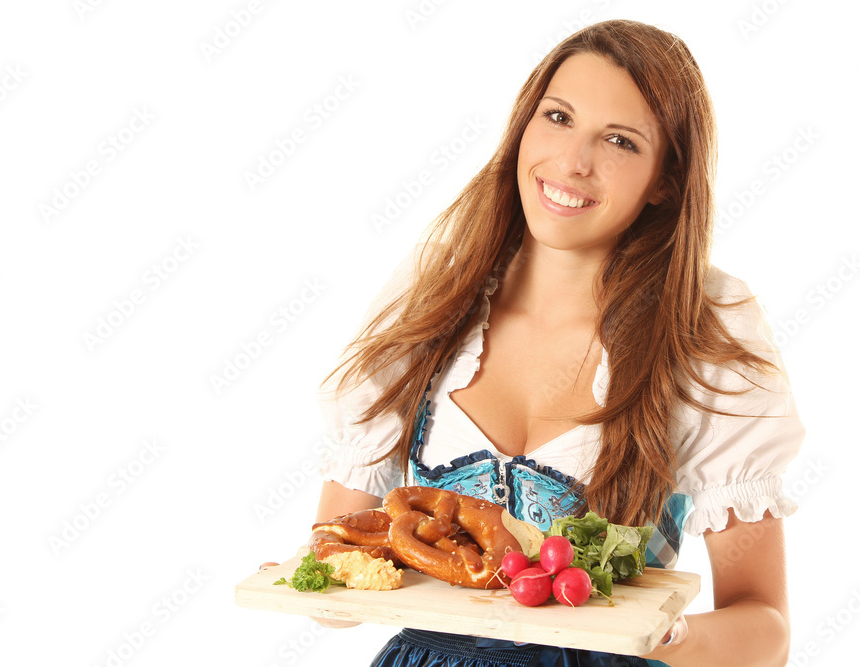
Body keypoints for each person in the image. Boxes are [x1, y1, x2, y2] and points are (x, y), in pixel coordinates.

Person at [312, 19, 804, 667]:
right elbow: (337, 567)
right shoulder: (433, 298)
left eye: (621, 140)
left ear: (665, 178)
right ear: (524, 125)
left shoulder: (705, 332)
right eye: (559, 117)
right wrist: (313, 586)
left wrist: (662, 635)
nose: (573, 161)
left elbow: (765, 631)